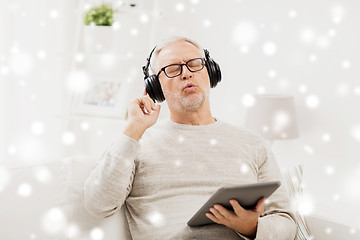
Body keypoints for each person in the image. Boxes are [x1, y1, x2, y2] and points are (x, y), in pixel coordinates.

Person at [82, 36, 297, 240]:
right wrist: (133, 129)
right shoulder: (135, 142)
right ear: (156, 87)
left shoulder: (253, 143)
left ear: (210, 72)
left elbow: (286, 223)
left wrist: (251, 227)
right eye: (172, 69)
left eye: (195, 64)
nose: (186, 73)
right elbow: (98, 204)